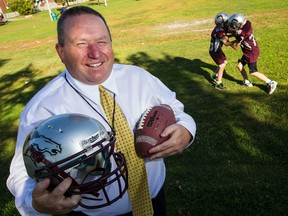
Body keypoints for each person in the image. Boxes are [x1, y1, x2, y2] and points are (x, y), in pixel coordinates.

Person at [6, 6, 196, 216]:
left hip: (154, 200)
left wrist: (186, 130)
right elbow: (21, 174)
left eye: (102, 41)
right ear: (61, 52)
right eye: (81, 44)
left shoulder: (138, 77)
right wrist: (37, 205)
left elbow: (174, 107)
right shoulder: (43, 108)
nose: (95, 53)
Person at [227, 13, 278, 94]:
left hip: (251, 53)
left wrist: (228, 43)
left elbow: (236, 46)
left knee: (253, 72)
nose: (233, 27)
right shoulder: (247, 24)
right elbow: (239, 34)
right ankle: (247, 82)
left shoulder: (241, 34)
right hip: (250, 51)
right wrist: (230, 36)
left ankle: (271, 82)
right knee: (239, 65)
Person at [209, 12, 233, 90]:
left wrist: (234, 34)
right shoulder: (219, 32)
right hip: (215, 51)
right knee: (222, 65)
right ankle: (218, 84)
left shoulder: (219, 28)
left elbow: (225, 34)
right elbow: (226, 43)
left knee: (224, 62)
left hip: (217, 50)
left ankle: (214, 75)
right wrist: (236, 41)